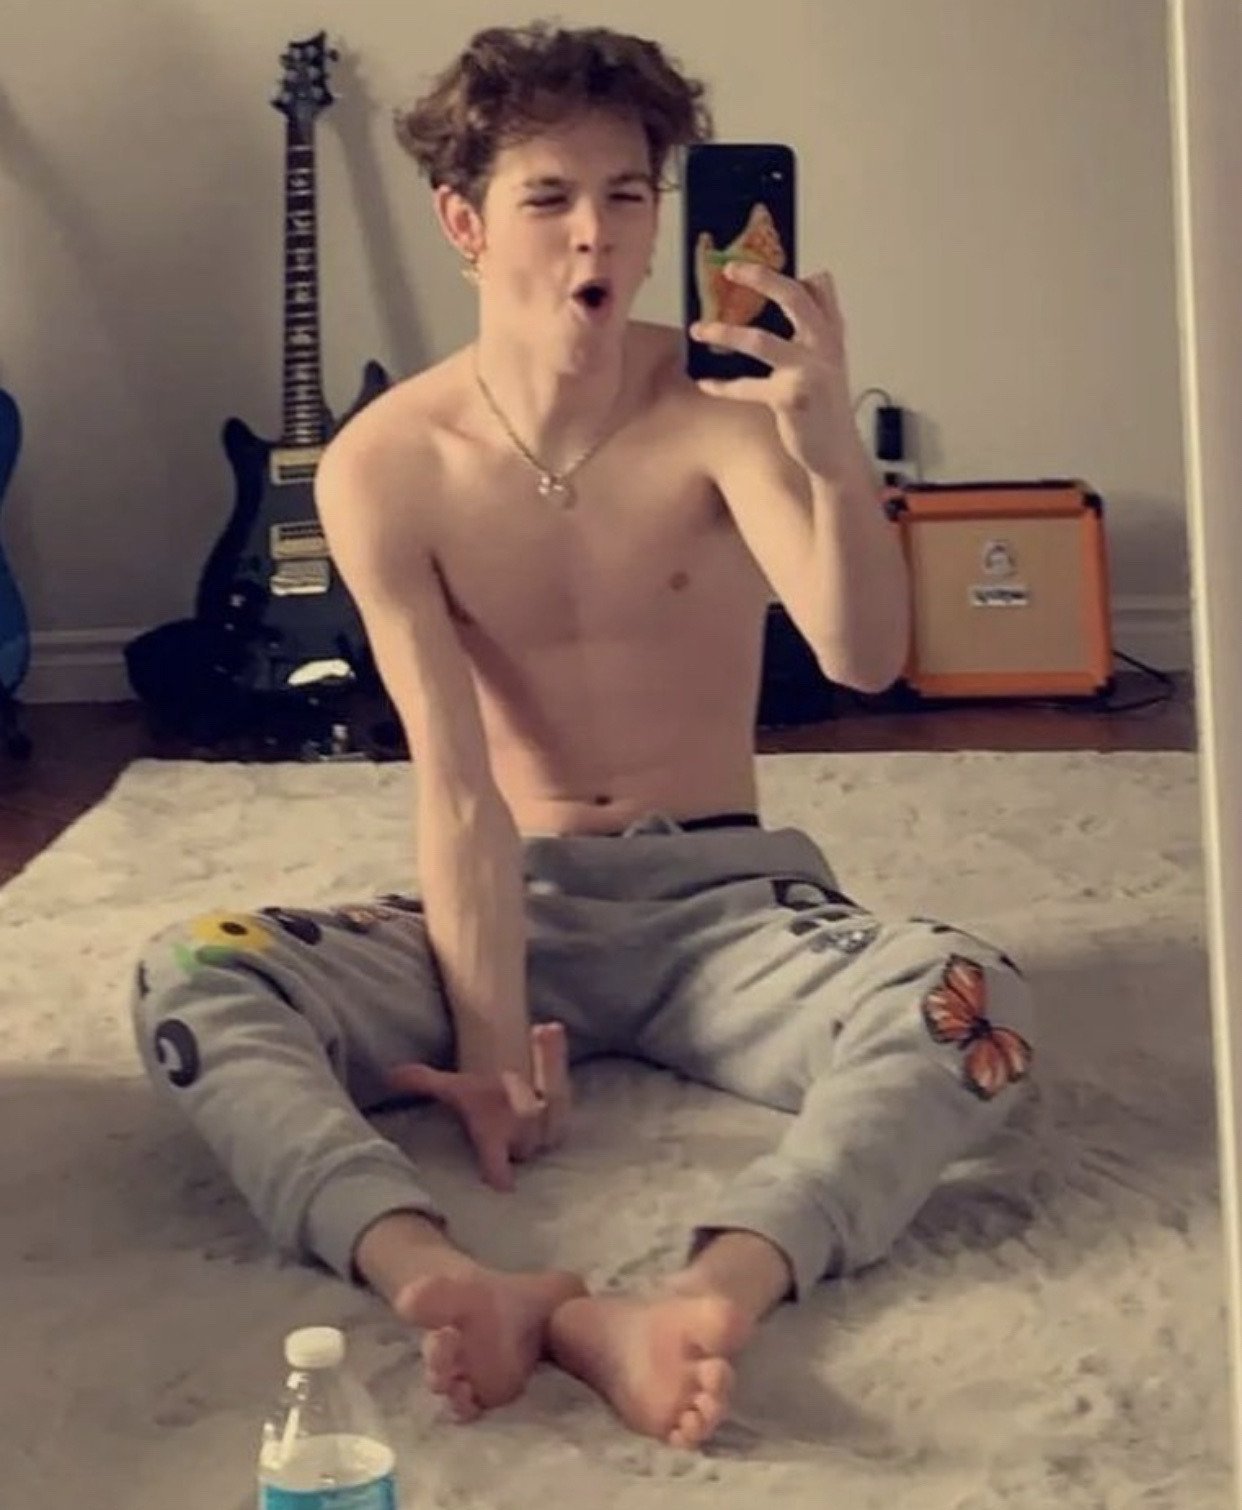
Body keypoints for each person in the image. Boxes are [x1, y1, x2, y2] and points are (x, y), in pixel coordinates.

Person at [130, 21, 1036, 1451]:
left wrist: (827, 452)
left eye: (626, 194)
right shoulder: (385, 462)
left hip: (723, 905)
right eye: (548, 198)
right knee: (192, 976)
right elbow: (455, 782)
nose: (593, 236)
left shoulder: (728, 411)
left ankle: (705, 1296)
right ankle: (439, 1275)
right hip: (510, 896)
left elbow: (865, 659)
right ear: (465, 223)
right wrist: (490, 1040)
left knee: (970, 1000)